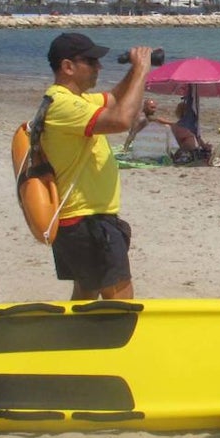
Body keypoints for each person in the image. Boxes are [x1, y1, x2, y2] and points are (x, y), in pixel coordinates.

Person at [41, 32, 155, 300]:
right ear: (68, 66)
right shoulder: (62, 104)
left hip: (82, 220)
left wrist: (133, 70)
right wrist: (141, 69)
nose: (99, 67)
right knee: (120, 301)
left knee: (86, 293)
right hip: (88, 222)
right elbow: (121, 120)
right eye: (91, 61)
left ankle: (74, 339)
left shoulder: (76, 99)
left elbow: (115, 99)